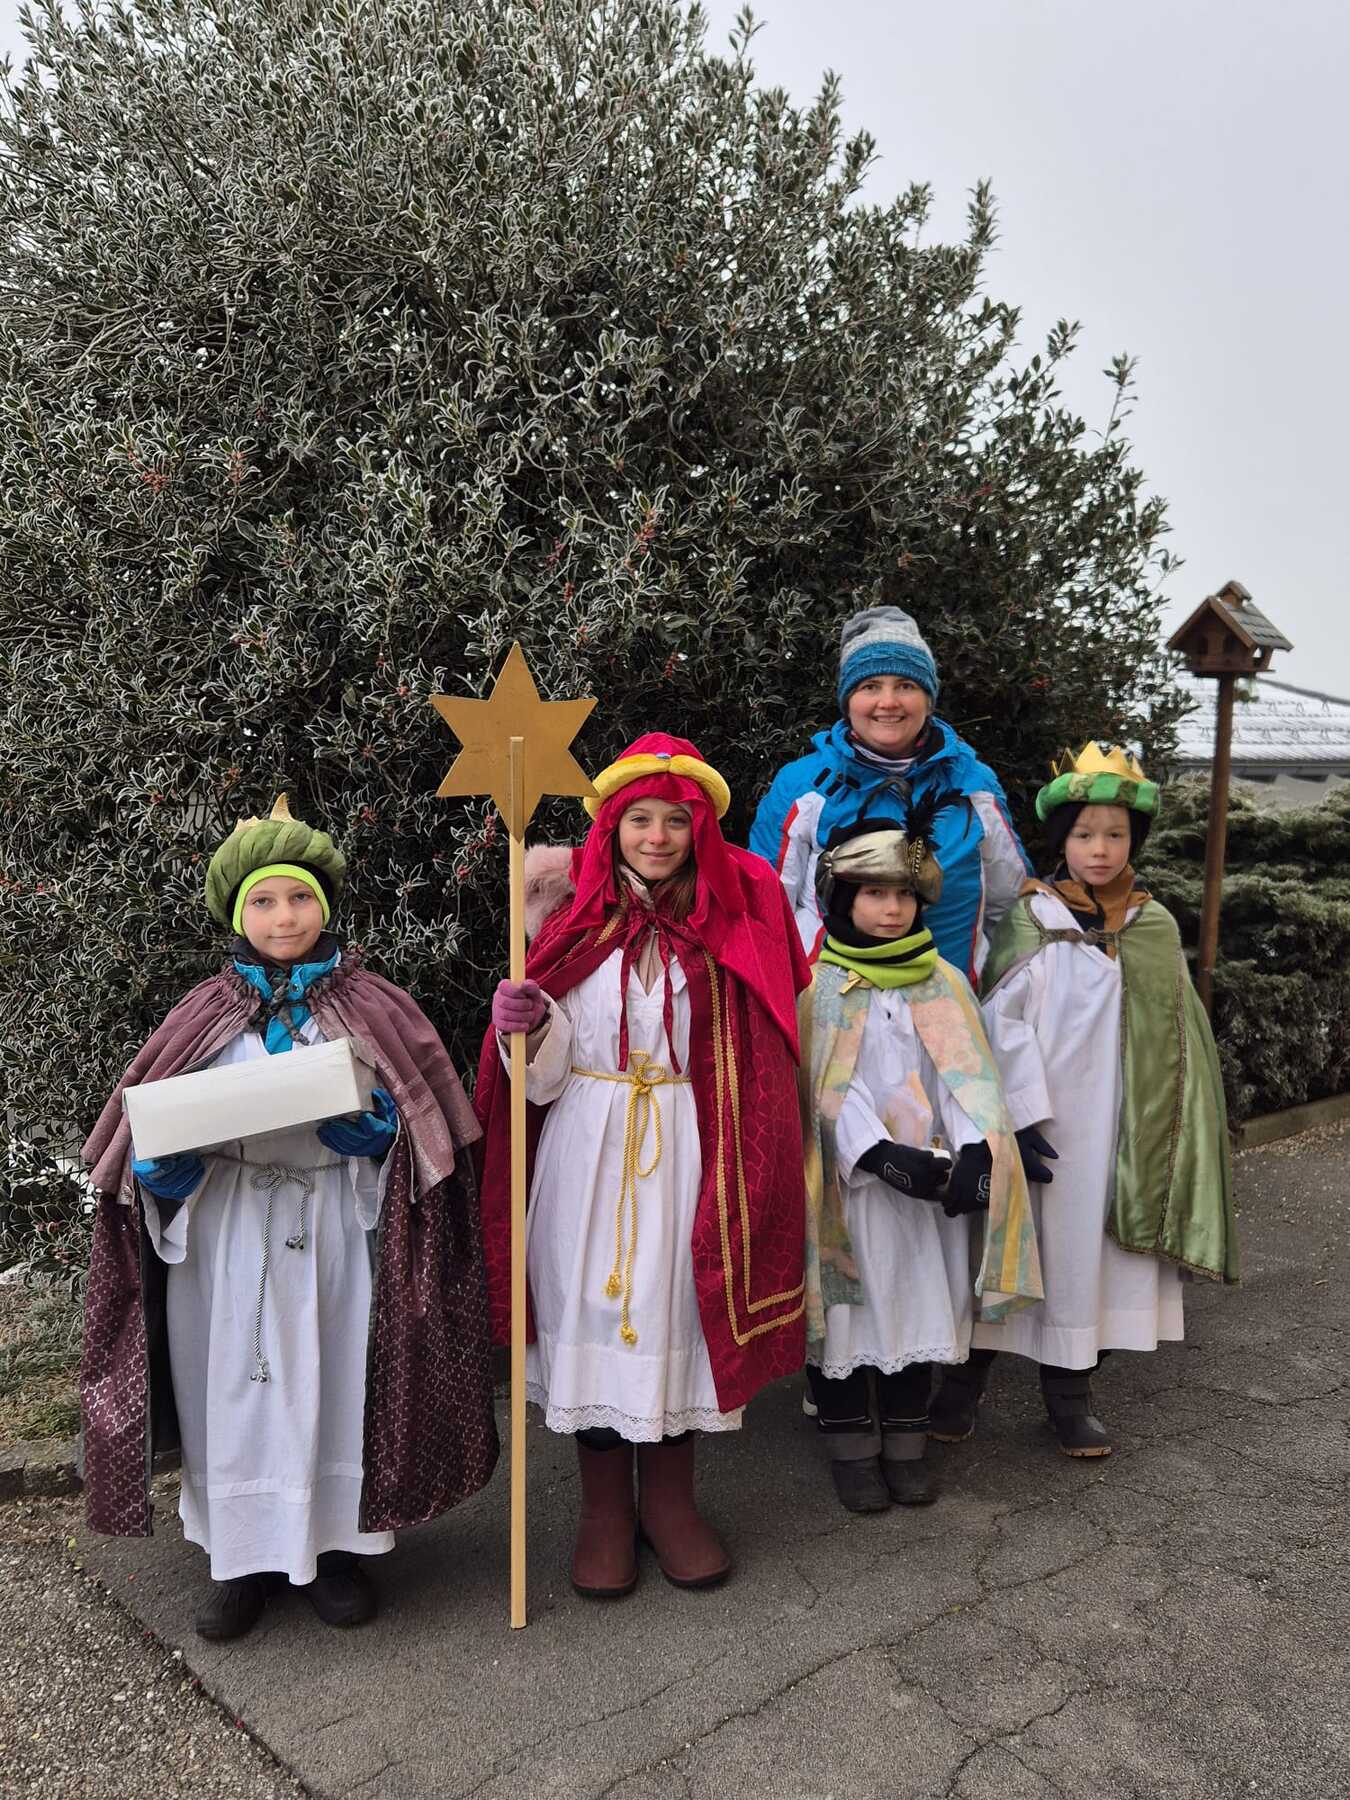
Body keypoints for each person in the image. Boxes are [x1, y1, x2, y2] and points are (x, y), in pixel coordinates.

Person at [81, 795, 498, 1641]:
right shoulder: (201, 1013)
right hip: (227, 1230)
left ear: (325, 906)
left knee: (336, 1379)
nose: (284, 917)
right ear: (238, 913)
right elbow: (142, 1132)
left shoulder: (377, 1006)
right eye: (265, 901)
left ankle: (335, 1553)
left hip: (336, 1220)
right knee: (228, 1393)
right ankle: (240, 1561)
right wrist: (163, 1177)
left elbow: (430, 1131)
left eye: (300, 898)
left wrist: (382, 1140)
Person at [475, 734, 811, 1598]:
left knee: (676, 1309)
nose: (657, 837)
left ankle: (669, 1503)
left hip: (690, 1142)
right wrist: (528, 1028)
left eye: (674, 821)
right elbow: (542, 1081)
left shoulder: (730, 925)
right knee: (591, 1306)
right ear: (611, 828)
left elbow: (758, 1052)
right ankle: (602, 1511)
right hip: (586, 1148)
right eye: (639, 820)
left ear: (699, 831)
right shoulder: (569, 925)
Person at [930, 745, 1238, 1456]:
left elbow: (1179, 1040)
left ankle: (1069, 1398)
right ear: (1061, 841)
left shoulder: (1153, 927)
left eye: (1116, 835)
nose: (1100, 850)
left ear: (1135, 841)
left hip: (1122, 1131)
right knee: (1006, 1252)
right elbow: (998, 1024)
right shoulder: (1030, 920)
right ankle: (960, 1389)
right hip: (1039, 1130)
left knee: (1091, 1267)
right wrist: (1016, 1115)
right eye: (1084, 835)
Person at [799, 818, 1043, 1512]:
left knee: (916, 1308)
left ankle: (907, 1443)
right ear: (843, 898)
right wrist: (875, 1152)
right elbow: (820, 1088)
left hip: (931, 1194)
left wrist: (975, 1150)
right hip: (853, 1197)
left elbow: (967, 1077)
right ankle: (851, 1448)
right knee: (849, 1318)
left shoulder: (943, 983)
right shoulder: (819, 987)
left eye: (904, 895)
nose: (892, 909)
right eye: (875, 893)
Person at [749, 604, 1029, 980]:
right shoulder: (802, 786)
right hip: (832, 1002)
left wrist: (1003, 1001)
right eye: (870, 686)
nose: (888, 702)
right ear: (848, 701)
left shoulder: (974, 785)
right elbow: (766, 911)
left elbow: (1011, 907)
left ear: (928, 700)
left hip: (951, 1002)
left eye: (906, 686)